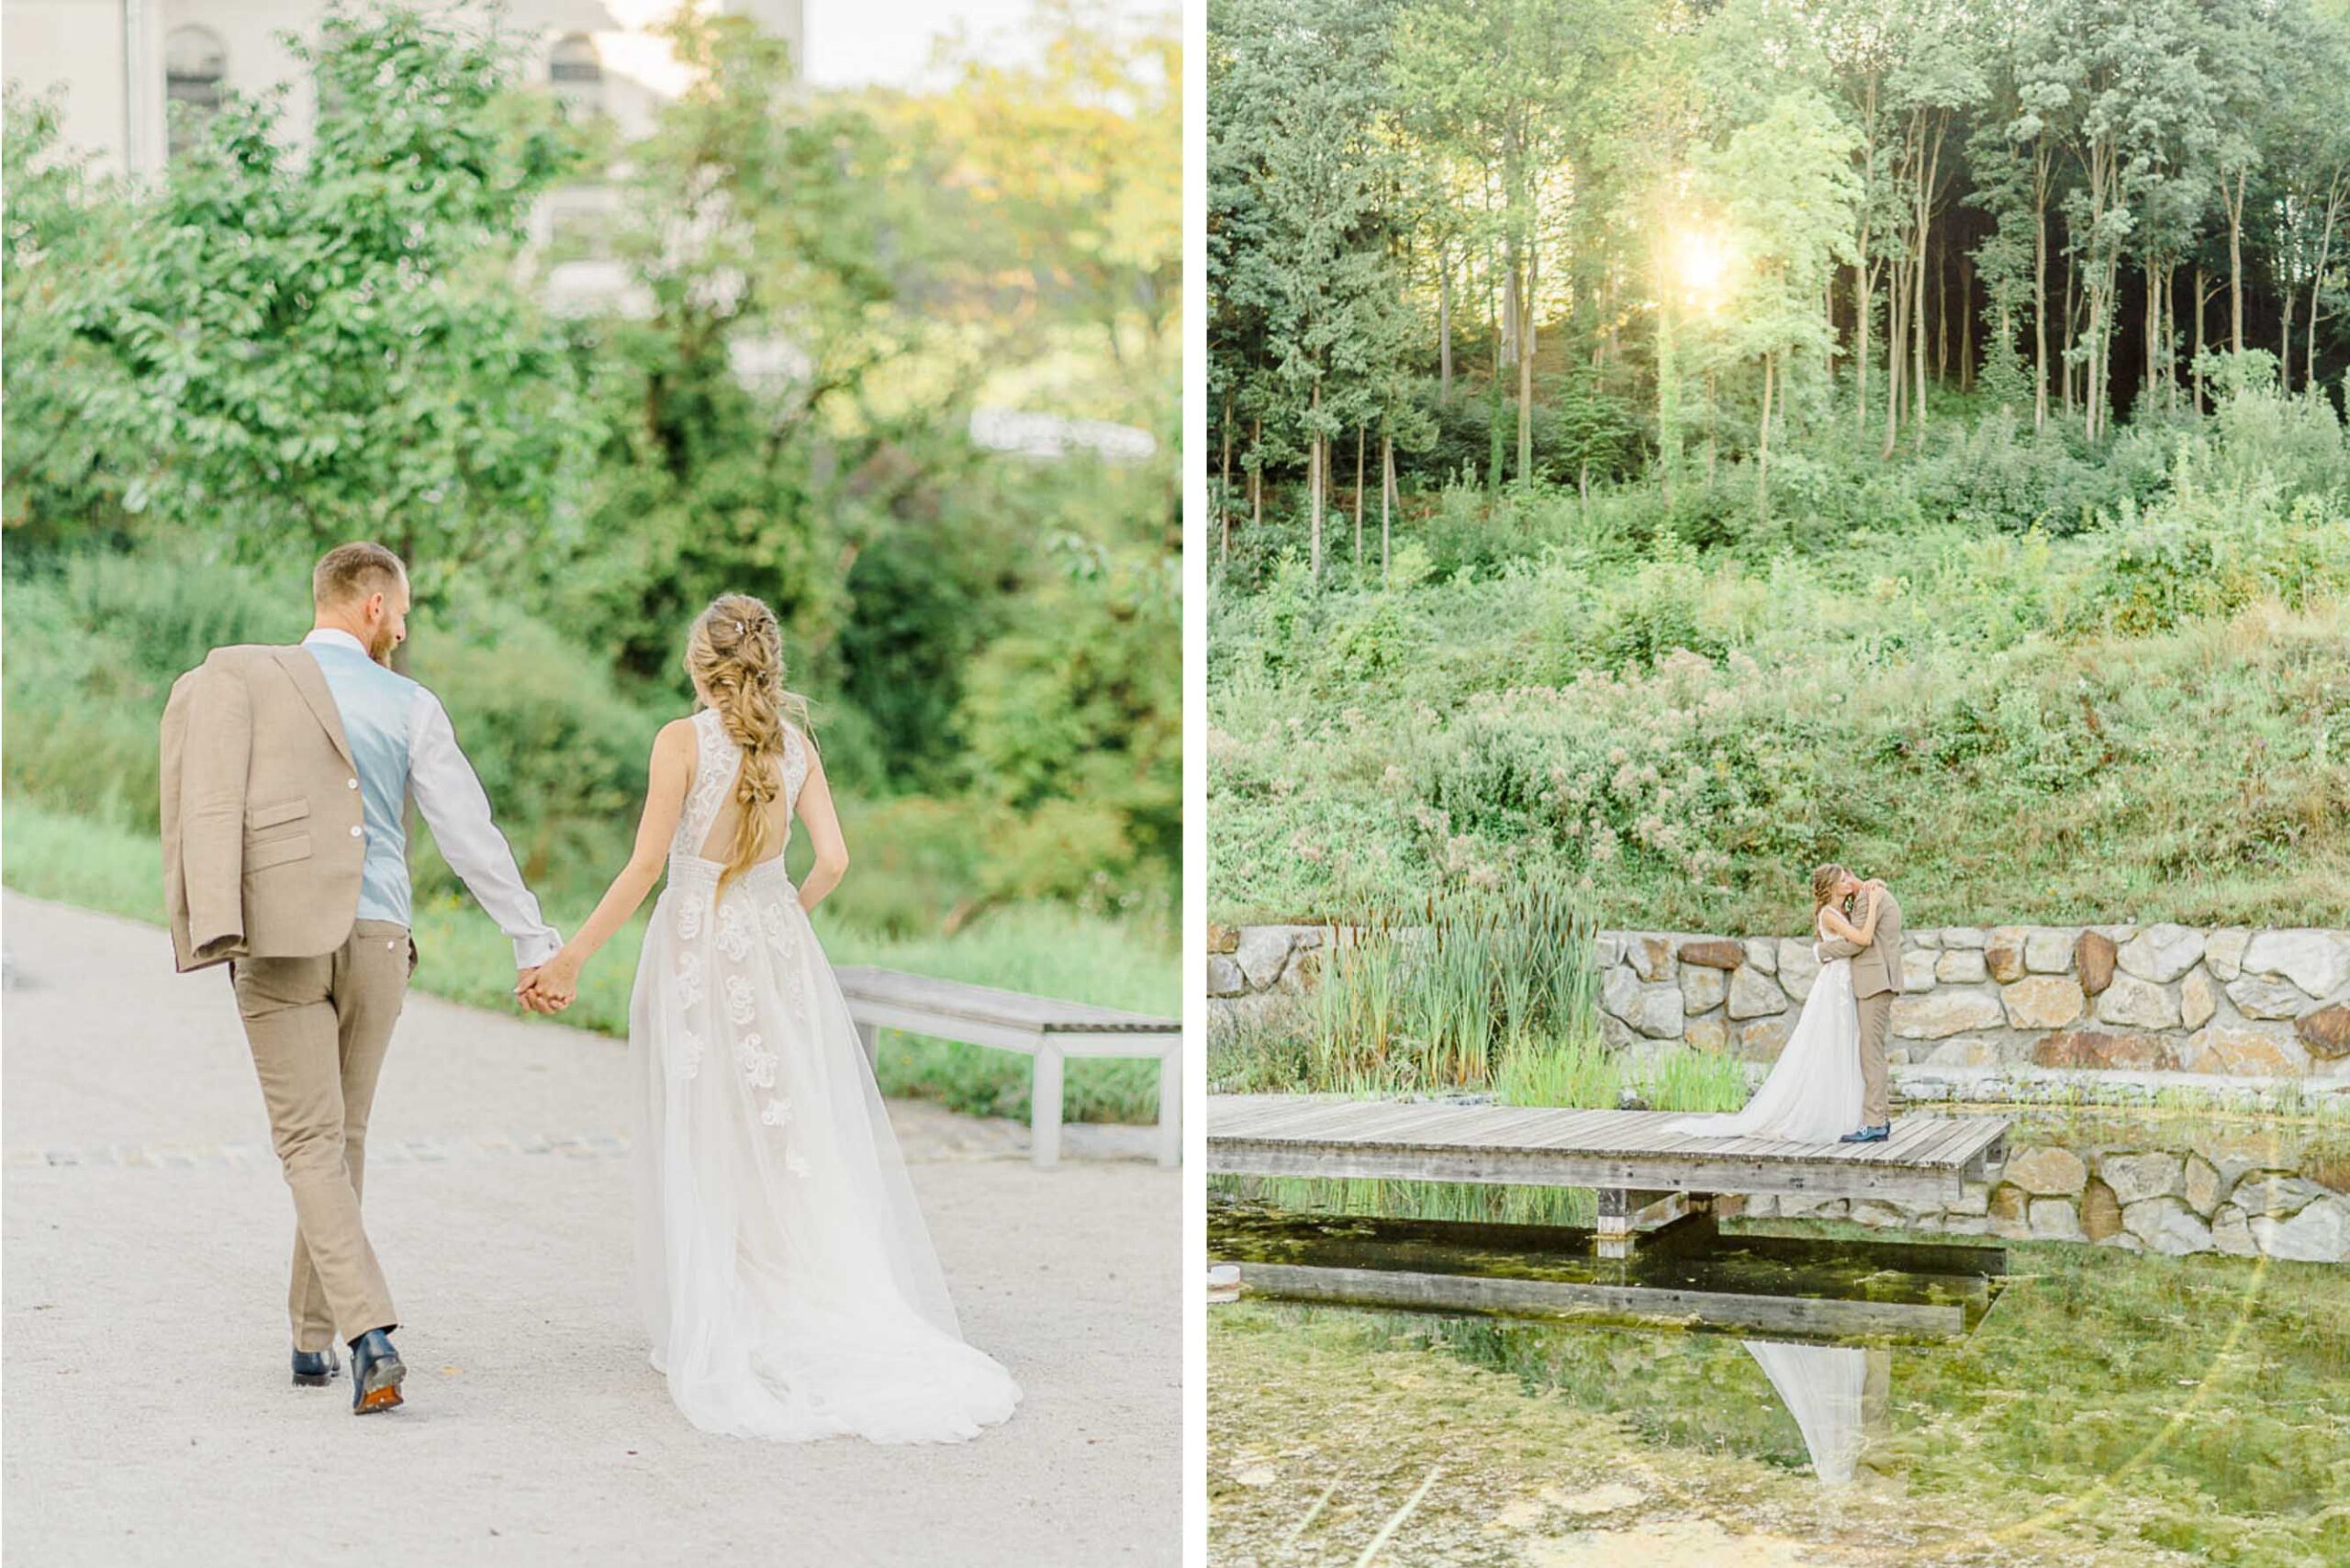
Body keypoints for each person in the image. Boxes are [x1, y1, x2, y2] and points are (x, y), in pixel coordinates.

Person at [520, 594, 1022, 1442]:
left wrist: (570, 958)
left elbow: (648, 866)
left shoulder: (680, 742)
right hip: (774, 943)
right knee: (786, 1122)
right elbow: (833, 860)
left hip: (695, 945)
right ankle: (795, 1289)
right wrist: (782, 910)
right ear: (769, 662)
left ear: (697, 663)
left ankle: (726, 1310)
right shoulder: (798, 747)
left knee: (709, 1121)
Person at [162, 542, 565, 1415]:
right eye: (406, 608)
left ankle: (365, 1334)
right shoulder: (410, 703)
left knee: (310, 1142)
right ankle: (311, 1339)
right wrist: (529, 937)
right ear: (374, 605)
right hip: (381, 937)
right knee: (340, 1139)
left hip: (281, 939)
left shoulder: (251, 690)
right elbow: (469, 834)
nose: (406, 624)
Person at [1663, 864, 1894, 1145]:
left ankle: (1853, 1116)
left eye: (1848, 877)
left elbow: (1854, 933)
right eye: (1842, 879)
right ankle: (1832, 1116)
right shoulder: (1829, 914)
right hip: (1836, 986)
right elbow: (1862, 939)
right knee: (1829, 1046)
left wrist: (1870, 888)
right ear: (1830, 886)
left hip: (1847, 983)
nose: (1848, 881)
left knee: (1847, 1046)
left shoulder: (1844, 909)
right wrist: (1873, 905)